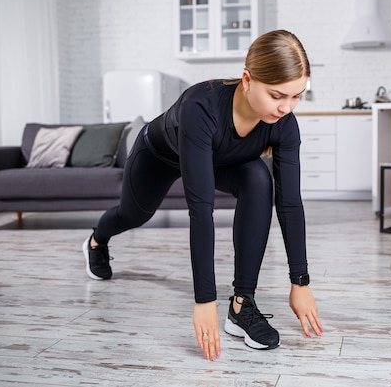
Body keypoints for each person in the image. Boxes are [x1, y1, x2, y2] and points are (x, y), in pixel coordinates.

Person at [81, 29, 323, 361]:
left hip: (218, 158)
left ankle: (242, 304)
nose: (286, 107)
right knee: (133, 214)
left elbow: (291, 203)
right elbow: (200, 209)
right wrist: (204, 301)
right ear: (248, 80)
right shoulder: (201, 105)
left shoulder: (284, 124)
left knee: (257, 179)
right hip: (160, 156)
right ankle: (96, 240)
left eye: (296, 96)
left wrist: (300, 281)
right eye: (278, 95)